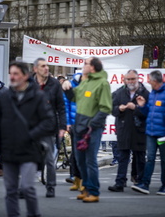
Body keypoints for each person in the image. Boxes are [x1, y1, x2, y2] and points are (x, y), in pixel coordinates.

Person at [0, 61, 55, 217]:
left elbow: (49, 121)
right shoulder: (4, 96)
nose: (12, 77)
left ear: (25, 76)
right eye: (11, 73)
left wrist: (31, 135)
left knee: (27, 187)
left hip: (29, 149)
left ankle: (33, 214)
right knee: (10, 190)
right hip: (9, 150)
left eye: (16, 73)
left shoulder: (37, 96)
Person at [62, 56, 112, 203]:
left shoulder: (102, 83)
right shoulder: (85, 82)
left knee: (90, 161)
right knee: (80, 160)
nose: (83, 66)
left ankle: (94, 191)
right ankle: (85, 188)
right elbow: (74, 97)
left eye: (85, 64)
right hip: (79, 127)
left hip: (92, 129)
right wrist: (67, 88)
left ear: (93, 67)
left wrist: (92, 123)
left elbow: (105, 108)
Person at [131, 70, 165, 196]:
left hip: (163, 134)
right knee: (150, 158)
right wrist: (142, 106)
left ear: (155, 81)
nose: (148, 82)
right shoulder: (153, 93)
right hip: (151, 132)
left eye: (149, 80)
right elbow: (150, 111)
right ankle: (145, 184)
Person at [108, 69, 149, 192]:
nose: (131, 81)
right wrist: (119, 109)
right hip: (123, 129)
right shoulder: (119, 93)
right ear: (124, 80)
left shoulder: (145, 93)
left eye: (133, 79)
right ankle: (120, 182)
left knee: (140, 157)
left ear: (138, 79)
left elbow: (149, 112)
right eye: (128, 79)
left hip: (139, 130)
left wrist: (136, 108)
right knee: (122, 157)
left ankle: (141, 182)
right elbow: (111, 108)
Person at [33, 58, 66, 198]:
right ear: (35, 69)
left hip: (48, 126)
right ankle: (25, 187)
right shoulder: (29, 82)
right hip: (32, 126)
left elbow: (61, 107)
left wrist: (62, 127)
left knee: (49, 159)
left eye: (47, 66)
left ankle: (51, 186)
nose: (46, 68)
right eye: (42, 66)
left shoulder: (54, 84)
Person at [63, 73, 85, 191]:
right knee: (77, 151)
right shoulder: (70, 87)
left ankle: (77, 176)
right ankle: (76, 175)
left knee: (79, 151)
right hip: (74, 124)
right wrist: (67, 123)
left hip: (84, 123)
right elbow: (66, 106)